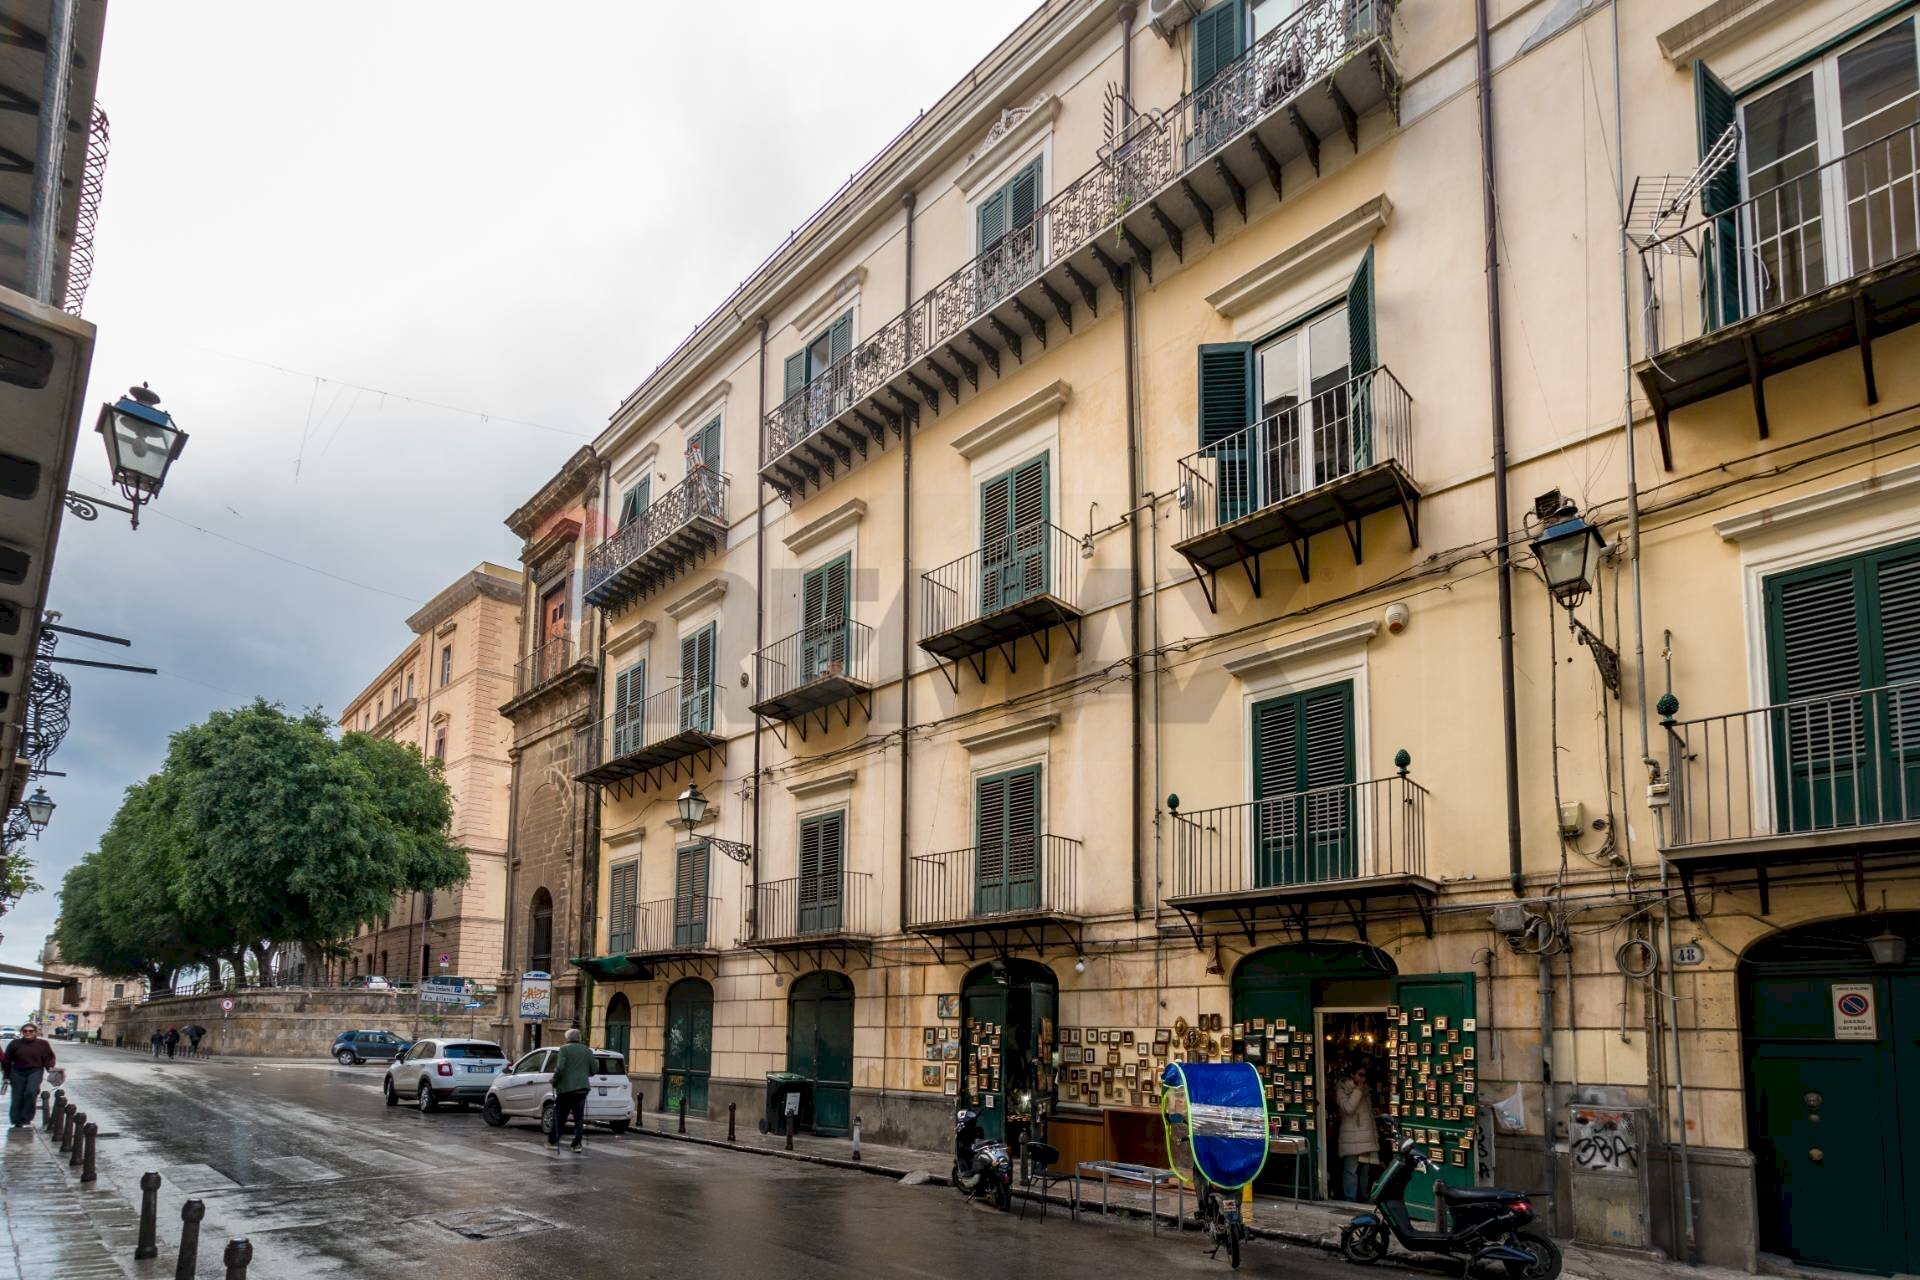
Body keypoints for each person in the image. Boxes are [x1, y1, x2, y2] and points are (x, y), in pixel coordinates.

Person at [1334, 1062, 1380, 1200]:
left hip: (1365, 1135)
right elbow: (1348, 1108)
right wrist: (1358, 1091)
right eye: (1360, 1075)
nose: (1363, 1078)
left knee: (1365, 1169)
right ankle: (1350, 1198)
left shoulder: (1365, 1090)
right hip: (1351, 1136)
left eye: (1364, 1075)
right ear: (1352, 1075)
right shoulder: (1342, 1089)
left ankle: (1363, 1196)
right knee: (1351, 1170)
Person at [548, 1027, 593, 1152]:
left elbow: (560, 1067)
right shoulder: (587, 1050)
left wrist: (554, 1079)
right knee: (579, 1117)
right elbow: (594, 1070)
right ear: (578, 1038)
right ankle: (577, 1144)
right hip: (582, 1089)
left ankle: (553, 1140)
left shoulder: (564, 1049)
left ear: (567, 1038)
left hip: (566, 1089)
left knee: (560, 1116)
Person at [4, 1023, 55, 1128]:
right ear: (22, 1032)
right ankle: (16, 1120)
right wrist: (6, 1076)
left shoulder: (43, 1044)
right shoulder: (15, 1043)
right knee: (17, 1095)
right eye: (25, 1031)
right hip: (17, 1072)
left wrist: (50, 1067)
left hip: (35, 1071)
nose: (28, 1033)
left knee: (31, 1092)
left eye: (30, 1031)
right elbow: (7, 1060)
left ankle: (26, 1118)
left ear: (35, 1032)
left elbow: (49, 1057)